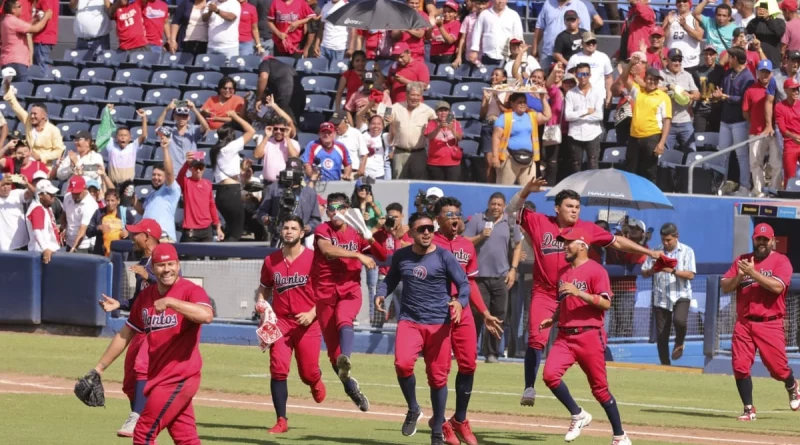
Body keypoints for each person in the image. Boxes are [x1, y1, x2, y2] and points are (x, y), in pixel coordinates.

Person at [506, 180, 660, 407]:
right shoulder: (539, 222)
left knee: (582, 343)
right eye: (569, 206)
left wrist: (648, 251)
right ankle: (529, 386)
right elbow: (511, 211)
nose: (574, 210)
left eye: (577, 207)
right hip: (546, 292)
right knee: (536, 338)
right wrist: (527, 189)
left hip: (574, 295)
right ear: (557, 208)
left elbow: (617, 243)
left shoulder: (586, 229)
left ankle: (594, 392)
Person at [88, 242, 214, 444]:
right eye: (161, 266)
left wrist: (172, 302)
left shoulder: (190, 290)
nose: (167, 270)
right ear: (152, 269)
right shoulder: (146, 297)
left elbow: (206, 315)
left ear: (178, 265)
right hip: (159, 378)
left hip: (179, 376)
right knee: (186, 438)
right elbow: (125, 333)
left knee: (143, 432)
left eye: (171, 264)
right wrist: (100, 368)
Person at [375, 212, 470, 445]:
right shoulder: (401, 256)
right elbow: (391, 279)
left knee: (438, 380)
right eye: (421, 229)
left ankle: (438, 430)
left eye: (430, 228)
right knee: (402, 364)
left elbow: (464, 284)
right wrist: (380, 293)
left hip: (439, 325)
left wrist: (459, 301)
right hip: (410, 321)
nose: (427, 232)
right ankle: (413, 408)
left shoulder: (445, 257)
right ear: (411, 233)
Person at [540, 228, 632, 445]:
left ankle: (620, 435)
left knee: (600, 390)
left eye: (568, 242)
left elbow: (606, 303)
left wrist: (579, 292)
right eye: (563, 242)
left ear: (582, 245)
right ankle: (578, 414)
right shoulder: (563, 273)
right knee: (549, 375)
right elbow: (564, 302)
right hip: (565, 336)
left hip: (589, 335)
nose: (564, 245)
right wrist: (552, 319)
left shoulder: (596, 271)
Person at [429, 197, 503, 444]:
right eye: (448, 213)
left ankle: (459, 419)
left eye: (457, 213)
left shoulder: (466, 246)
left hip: (464, 312)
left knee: (469, 364)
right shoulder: (428, 242)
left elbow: (470, 282)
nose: (454, 217)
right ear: (437, 219)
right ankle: (439, 421)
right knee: (441, 371)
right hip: (437, 312)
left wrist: (484, 312)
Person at [312, 193, 387, 412]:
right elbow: (327, 250)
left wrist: (370, 237)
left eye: (340, 208)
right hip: (325, 293)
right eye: (331, 209)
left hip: (350, 290)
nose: (335, 212)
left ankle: (346, 358)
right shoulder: (323, 230)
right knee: (333, 353)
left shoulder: (357, 232)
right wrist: (358, 255)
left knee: (344, 318)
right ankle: (349, 385)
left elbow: (382, 255)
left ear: (348, 209)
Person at [720, 223, 800, 421]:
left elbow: (777, 288)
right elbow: (725, 286)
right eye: (759, 239)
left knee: (777, 369)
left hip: (770, 322)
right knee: (739, 366)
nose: (762, 242)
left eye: (766, 239)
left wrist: (753, 273)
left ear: (773, 241)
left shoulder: (781, 261)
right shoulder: (742, 260)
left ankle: (792, 385)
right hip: (744, 323)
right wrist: (739, 276)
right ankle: (748, 409)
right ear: (753, 239)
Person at [257, 215, 326, 434]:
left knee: (307, 372)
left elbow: (325, 293)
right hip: (281, 322)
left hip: (308, 322)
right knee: (278, 369)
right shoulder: (271, 261)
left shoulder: (314, 259)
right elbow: (264, 288)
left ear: (301, 232)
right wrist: (261, 304)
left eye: (293, 228)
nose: (289, 231)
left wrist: (313, 313)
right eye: (285, 228)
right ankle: (281, 420)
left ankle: (315, 380)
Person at [96, 218, 162, 437]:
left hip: (158, 329)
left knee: (141, 367)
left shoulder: (162, 258)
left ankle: (137, 419)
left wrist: (150, 276)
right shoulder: (143, 262)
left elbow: (174, 285)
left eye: (137, 234)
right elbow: (138, 301)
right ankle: (143, 421)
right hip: (139, 327)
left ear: (148, 236)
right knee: (130, 382)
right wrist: (119, 304)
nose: (132, 237)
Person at [463, 192, 523, 363]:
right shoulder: (477, 219)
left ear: (504, 206)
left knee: (498, 315)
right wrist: (481, 236)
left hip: (501, 277)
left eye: (499, 204)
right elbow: (464, 242)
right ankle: (469, 351)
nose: (496, 207)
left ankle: (492, 353)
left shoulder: (510, 222)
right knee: (476, 315)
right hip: (478, 277)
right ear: (488, 204)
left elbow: (517, 247)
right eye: (493, 204)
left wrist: (513, 269)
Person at [641, 223, 696, 366]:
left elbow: (690, 275)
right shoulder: (655, 251)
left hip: (681, 294)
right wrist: (654, 269)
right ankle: (665, 364)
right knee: (661, 335)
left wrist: (672, 271)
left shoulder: (687, 251)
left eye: (669, 240)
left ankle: (679, 342)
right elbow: (644, 272)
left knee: (680, 321)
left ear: (676, 237)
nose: (665, 243)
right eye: (663, 240)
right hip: (661, 296)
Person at [620, 61, 672, 183]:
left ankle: (650, 198)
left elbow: (667, 121)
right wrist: (630, 64)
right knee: (631, 170)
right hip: (634, 137)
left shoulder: (663, 96)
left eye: (655, 80)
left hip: (652, 137)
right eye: (650, 79)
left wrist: (661, 143)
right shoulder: (638, 91)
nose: (652, 82)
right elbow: (624, 78)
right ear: (645, 78)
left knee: (649, 171)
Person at [210, 112, 255, 242]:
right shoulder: (230, 147)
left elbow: (229, 172)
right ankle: (224, 258)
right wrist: (235, 116)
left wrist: (242, 169)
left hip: (222, 192)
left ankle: (220, 257)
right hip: (231, 192)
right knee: (236, 231)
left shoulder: (216, 150)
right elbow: (251, 131)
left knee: (230, 229)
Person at [491, 92, 551, 185]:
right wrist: (495, 157)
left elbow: (547, 116)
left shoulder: (531, 115)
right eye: (519, 102)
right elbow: (496, 137)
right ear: (512, 103)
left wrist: (543, 99)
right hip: (509, 158)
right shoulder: (505, 117)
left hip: (528, 159)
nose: (523, 104)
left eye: (524, 102)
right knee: (504, 188)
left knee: (528, 190)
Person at [256, 161, 322, 246]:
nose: (292, 176)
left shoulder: (309, 193)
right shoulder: (273, 189)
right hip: (278, 237)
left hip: (301, 240)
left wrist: (309, 227)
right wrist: (265, 218)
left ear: (301, 174)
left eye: (295, 173)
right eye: (289, 171)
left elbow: (316, 219)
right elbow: (261, 212)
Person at [719, 47, 756, 194]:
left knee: (741, 155)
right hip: (725, 120)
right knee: (722, 154)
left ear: (735, 58)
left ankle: (745, 186)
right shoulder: (729, 73)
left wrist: (727, 98)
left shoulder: (748, 77)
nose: (728, 58)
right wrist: (719, 94)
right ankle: (721, 184)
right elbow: (723, 91)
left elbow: (745, 100)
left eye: (730, 56)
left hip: (740, 121)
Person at [743, 59, 781, 196]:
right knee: (755, 162)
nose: (764, 75)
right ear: (757, 72)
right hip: (756, 131)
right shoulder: (750, 90)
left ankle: (774, 190)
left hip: (775, 132)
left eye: (767, 72)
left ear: (771, 74)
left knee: (776, 163)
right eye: (762, 72)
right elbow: (745, 111)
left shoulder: (777, 88)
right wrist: (754, 123)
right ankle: (759, 190)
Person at [3, 89, 65, 169]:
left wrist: (41, 157)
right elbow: (16, 107)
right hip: (27, 163)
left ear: (44, 115)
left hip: (43, 167)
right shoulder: (28, 121)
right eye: (31, 113)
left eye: (35, 114)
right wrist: (7, 89)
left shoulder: (53, 130)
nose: (32, 116)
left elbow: (59, 151)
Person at [389, 83, 436, 179]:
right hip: (399, 152)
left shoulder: (428, 111)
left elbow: (437, 125)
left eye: (418, 95)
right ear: (406, 94)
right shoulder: (394, 107)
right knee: (398, 181)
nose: (415, 98)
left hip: (419, 153)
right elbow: (381, 119)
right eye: (413, 95)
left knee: (419, 182)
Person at [138, 137, 180, 242]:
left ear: (166, 177)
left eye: (159, 175)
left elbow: (170, 173)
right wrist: (132, 199)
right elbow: (142, 211)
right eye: (153, 175)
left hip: (163, 238)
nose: (155, 177)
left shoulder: (170, 191)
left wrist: (165, 149)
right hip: (148, 239)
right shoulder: (152, 195)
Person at [564, 62, 604, 173]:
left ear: (590, 75)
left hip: (593, 133)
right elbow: (567, 116)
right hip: (575, 134)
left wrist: (577, 115)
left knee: (593, 164)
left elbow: (599, 115)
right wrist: (586, 111)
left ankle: (593, 188)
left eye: (586, 74)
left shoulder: (598, 92)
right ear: (576, 76)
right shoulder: (570, 94)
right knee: (576, 165)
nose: (583, 77)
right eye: (580, 74)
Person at [155, 100, 211, 175]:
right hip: (173, 172)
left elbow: (205, 127)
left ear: (189, 118)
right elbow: (157, 128)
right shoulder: (169, 131)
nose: (181, 118)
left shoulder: (193, 130)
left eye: (185, 116)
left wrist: (194, 109)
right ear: (174, 116)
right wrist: (166, 110)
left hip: (190, 172)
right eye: (179, 115)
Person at [1, 0, 52, 82]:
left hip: (7, 61)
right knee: (22, 89)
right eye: (19, 6)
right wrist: (46, 17)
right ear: (13, 10)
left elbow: (27, 26)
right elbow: (35, 29)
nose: (21, 8)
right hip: (17, 62)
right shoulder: (13, 21)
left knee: (10, 90)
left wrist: (35, 18)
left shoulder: (6, 20)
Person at [178, 152, 224, 242]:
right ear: (191, 169)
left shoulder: (208, 183)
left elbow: (212, 205)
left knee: (207, 255)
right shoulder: (186, 182)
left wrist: (218, 227)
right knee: (190, 256)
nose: (198, 170)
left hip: (207, 229)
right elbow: (179, 177)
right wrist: (186, 164)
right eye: (195, 168)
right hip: (191, 229)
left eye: (200, 168)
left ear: (204, 169)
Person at [661, 48, 700, 153]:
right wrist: (670, 86)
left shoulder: (687, 75)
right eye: (674, 59)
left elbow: (697, 94)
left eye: (679, 60)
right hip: (668, 122)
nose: (677, 63)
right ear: (667, 60)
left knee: (691, 152)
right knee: (664, 154)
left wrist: (689, 95)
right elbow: (654, 90)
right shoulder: (661, 74)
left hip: (685, 121)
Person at [532, 0, 592, 69]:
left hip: (570, 56)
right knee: (545, 78)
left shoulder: (580, 5)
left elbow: (585, 33)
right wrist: (535, 47)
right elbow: (540, 26)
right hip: (548, 52)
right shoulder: (548, 3)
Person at [86, 188, 136, 256]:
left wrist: (128, 233)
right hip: (102, 254)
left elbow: (135, 228)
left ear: (118, 201)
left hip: (120, 255)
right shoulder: (99, 213)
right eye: (107, 200)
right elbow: (88, 232)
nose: (110, 203)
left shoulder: (124, 212)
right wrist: (98, 228)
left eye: (112, 200)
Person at [256, 56, 306, 124]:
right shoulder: (288, 67)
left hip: (286, 96)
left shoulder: (266, 62)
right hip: (301, 96)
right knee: (294, 122)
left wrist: (258, 98)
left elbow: (263, 77)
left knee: (286, 124)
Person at [254, 115, 300, 184]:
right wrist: (267, 136)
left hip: (285, 183)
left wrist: (287, 137)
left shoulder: (293, 143)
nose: (278, 131)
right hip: (268, 183)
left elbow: (294, 157)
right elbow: (257, 155)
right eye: (275, 129)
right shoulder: (267, 142)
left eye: (282, 129)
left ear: (286, 129)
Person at [425, 102, 464, 182]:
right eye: (440, 111)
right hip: (435, 162)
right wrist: (439, 127)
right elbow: (430, 136)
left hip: (452, 162)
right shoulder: (431, 123)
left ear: (449, 112)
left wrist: (452, 129)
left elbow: (459, 138)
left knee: (452, 186)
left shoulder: (455, 123)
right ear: (436, 112)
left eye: (445, 110)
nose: (443, 113)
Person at [690, 44, 725, 133]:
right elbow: (693, 90)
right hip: (700, 110)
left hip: (716, 109)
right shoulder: (696, 71)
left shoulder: (721, 71)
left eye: (711, 54)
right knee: (699, 138)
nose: (708, 56)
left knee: (716, 139)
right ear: (703, 55)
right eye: (706, 54)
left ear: (716, 55)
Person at [60, 176, 100, 254]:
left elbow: (83, 229)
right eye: (73, 193)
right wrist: (63, 227)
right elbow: (64, 214)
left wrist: (74, 247)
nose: (74, 196)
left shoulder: (90, 204)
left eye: (77, 193)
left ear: (85, 189)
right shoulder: (67, 197)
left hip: (83, 245)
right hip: (69, 241)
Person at [26, 179, 61, 263]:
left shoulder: (45, 206)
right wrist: (45, 249)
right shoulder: (37, 209)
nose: (53, 196)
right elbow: (37, 231)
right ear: (40, 195)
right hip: (42, 253)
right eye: (50, 194)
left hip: (49, 250)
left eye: (53, 194)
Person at [663, 0, 703, 69]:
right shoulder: (670, 17)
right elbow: (662, 39)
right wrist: (668, 24)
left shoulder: (695, 18)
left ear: (689, 3)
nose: (681, 3)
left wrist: (685, 26)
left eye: (684, 1)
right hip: (673, 61)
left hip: (690, 63)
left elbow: (699, 37)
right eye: (679, 1)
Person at [776, 77, 800, 187]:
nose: (796, 91)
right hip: (790, 144)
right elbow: (782, 129)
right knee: (790, 176)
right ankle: (788, 198)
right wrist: (794, 137)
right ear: (786, 90)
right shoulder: (779, 107)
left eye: (797, 89)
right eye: (793, 89)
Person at [746, 0, 785, 66]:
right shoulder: (754, 22)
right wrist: (757, 18)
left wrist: (768, 19)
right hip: (756, 62)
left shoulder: (779, 21)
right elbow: (747, 35)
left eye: (764, 7)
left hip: (773, 63)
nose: (762, 10)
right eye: (759, 7)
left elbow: (779, 32)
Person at [0, 175, 30, 252]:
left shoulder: (16, 193)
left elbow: (33, 193)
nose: (6, 187)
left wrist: (27, 184)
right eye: (3, 185)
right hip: (4, 247)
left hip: (23, 244)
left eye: (8, 184)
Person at [427, 1, 461, 65]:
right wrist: (431, 26)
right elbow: (428, 37)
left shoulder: (456, 24)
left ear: (455, 14)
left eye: (450, 12)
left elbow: (450, 40)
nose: (447, 14)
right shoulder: (438, 22)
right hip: (433, 54)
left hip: (447, 55)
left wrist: (440, 27)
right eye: (445, 11)